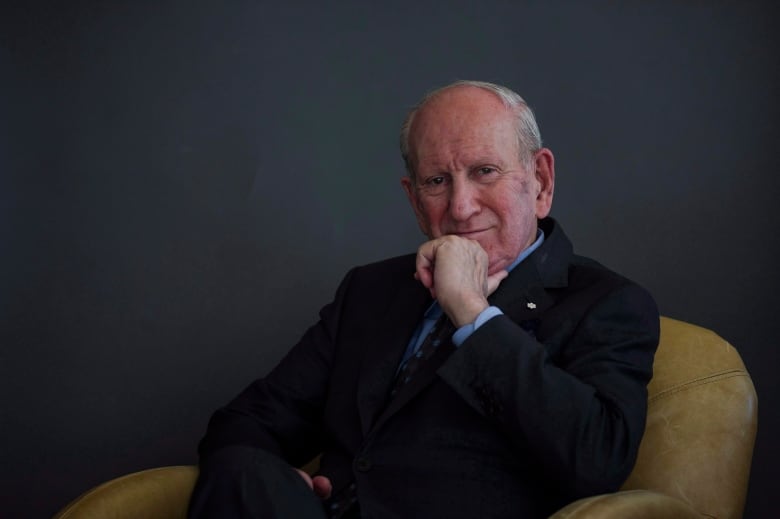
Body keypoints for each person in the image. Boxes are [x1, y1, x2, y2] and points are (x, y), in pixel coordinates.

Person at [187, 80, 660, 518]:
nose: (460, 206)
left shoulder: (606, 303)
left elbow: (598, 459)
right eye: (437, 182)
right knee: (239, 473)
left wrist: (471, 314)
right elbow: (246, 422)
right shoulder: (371, 291)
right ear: (414, 201)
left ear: (540, 181)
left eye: (484, 172)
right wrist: (278, 479)